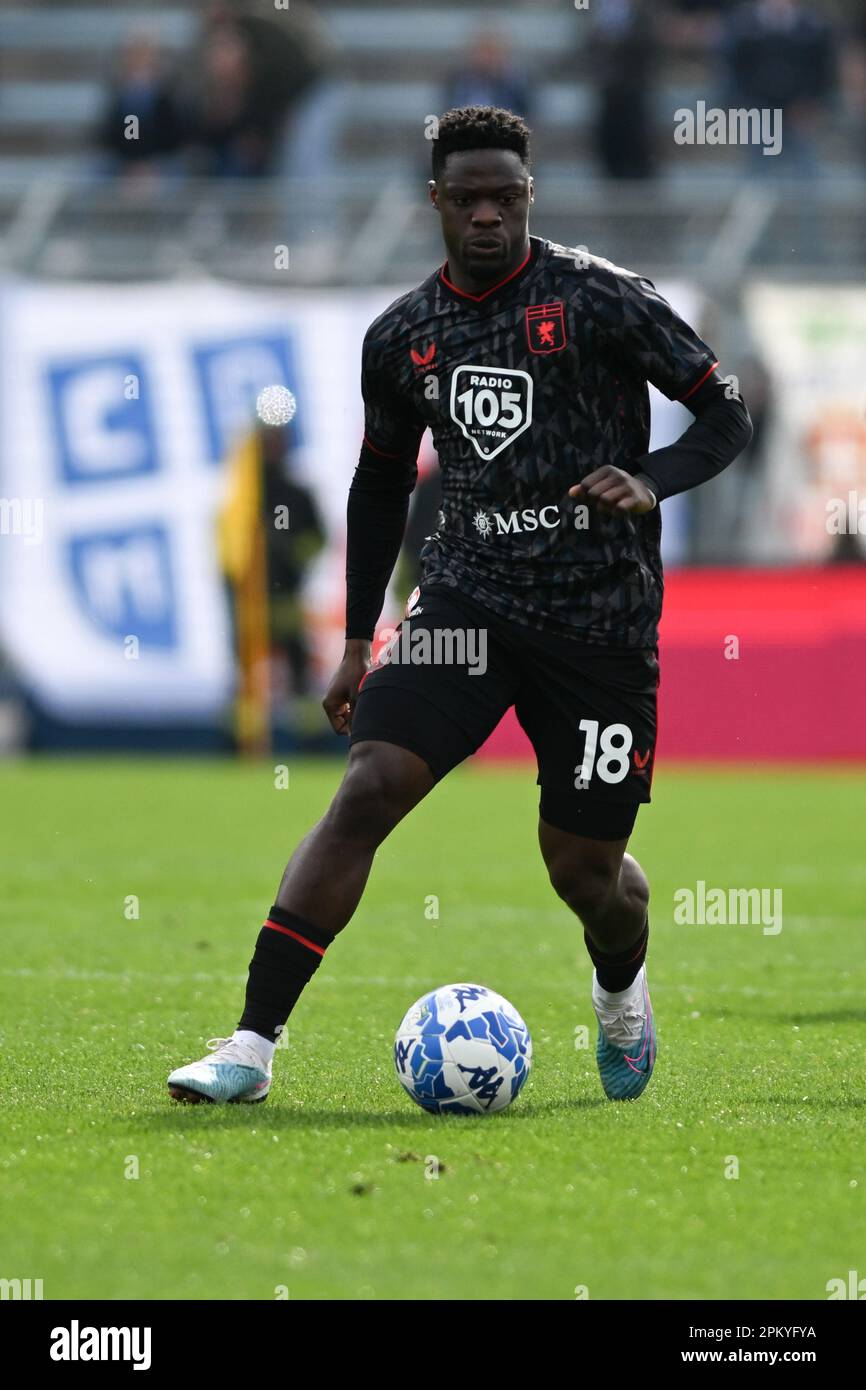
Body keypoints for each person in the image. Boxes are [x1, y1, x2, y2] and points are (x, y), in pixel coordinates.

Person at [167, 106, 752, 1108]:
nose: (487, 216)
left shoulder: (601, 299)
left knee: (583, 871)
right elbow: (379, 482)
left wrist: (650, 477)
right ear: (434, 201)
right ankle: (251, 1043)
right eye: (468, 198)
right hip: (464, 601)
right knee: (366, 787)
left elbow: (725, 410)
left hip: (597, 618)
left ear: (530, 197)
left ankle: (619, 987)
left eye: (506, 198)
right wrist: (358, 637)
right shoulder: (402, 336)